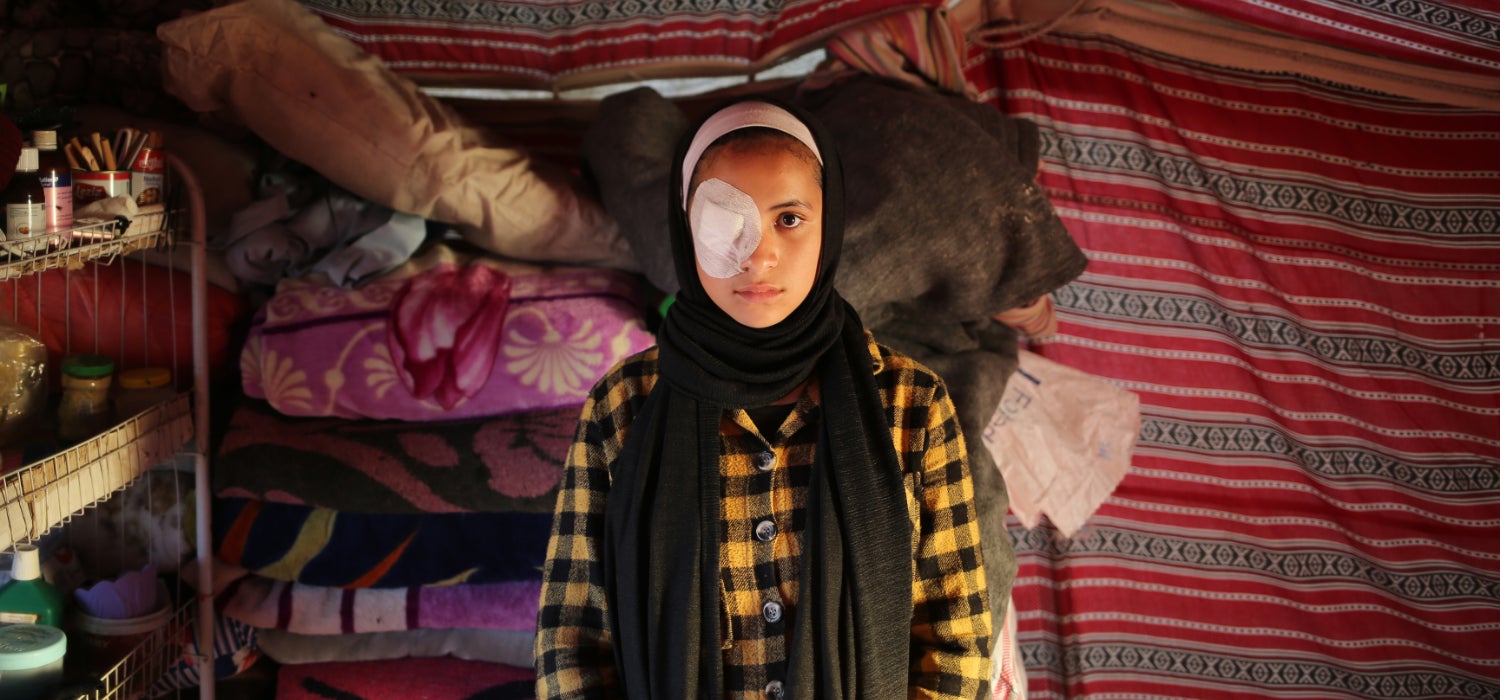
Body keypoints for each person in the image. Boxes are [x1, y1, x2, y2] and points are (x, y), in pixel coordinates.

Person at [534, 97, 992, 699]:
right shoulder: (624, 407)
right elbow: (572, 644)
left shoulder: (911, 405)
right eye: (726, 219)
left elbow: (957, 643)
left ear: (830, 224)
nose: (759, 253)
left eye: (789, 218)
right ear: (685, 228)